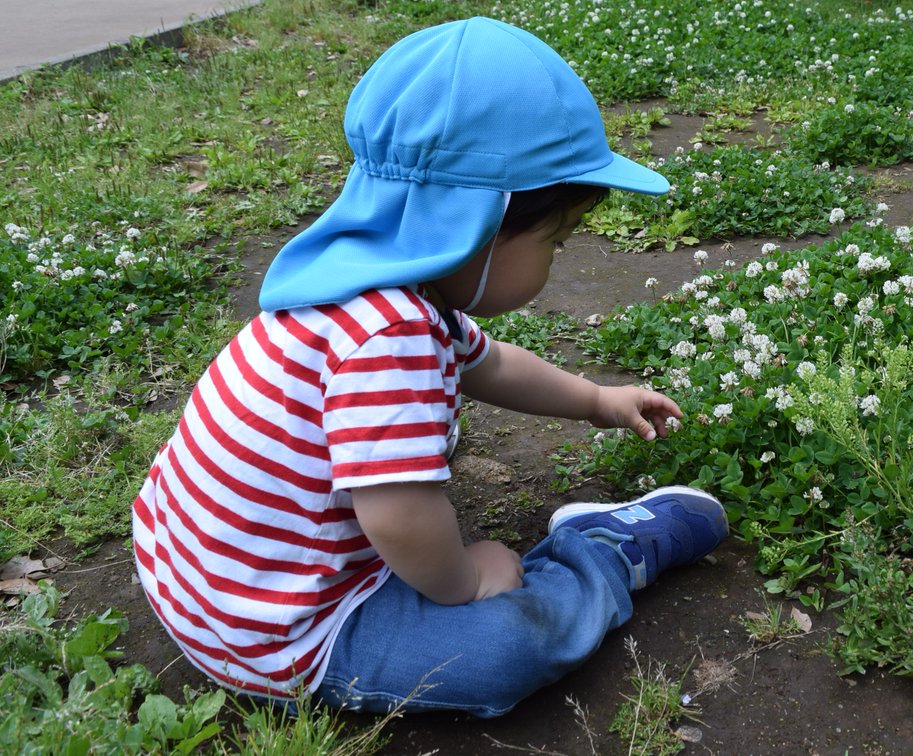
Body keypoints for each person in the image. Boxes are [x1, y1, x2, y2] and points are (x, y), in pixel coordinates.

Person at [130, 16, 728, 717]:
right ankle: (600, 550)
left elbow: (492, 365)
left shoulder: (361, 286)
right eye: (556, 241)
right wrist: (466, 581)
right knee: (506, 648)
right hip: (287, 637)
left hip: (191, 580)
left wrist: (597, 400)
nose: (557, 259)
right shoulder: (391, 335)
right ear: (481, 222)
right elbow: (398, 514)